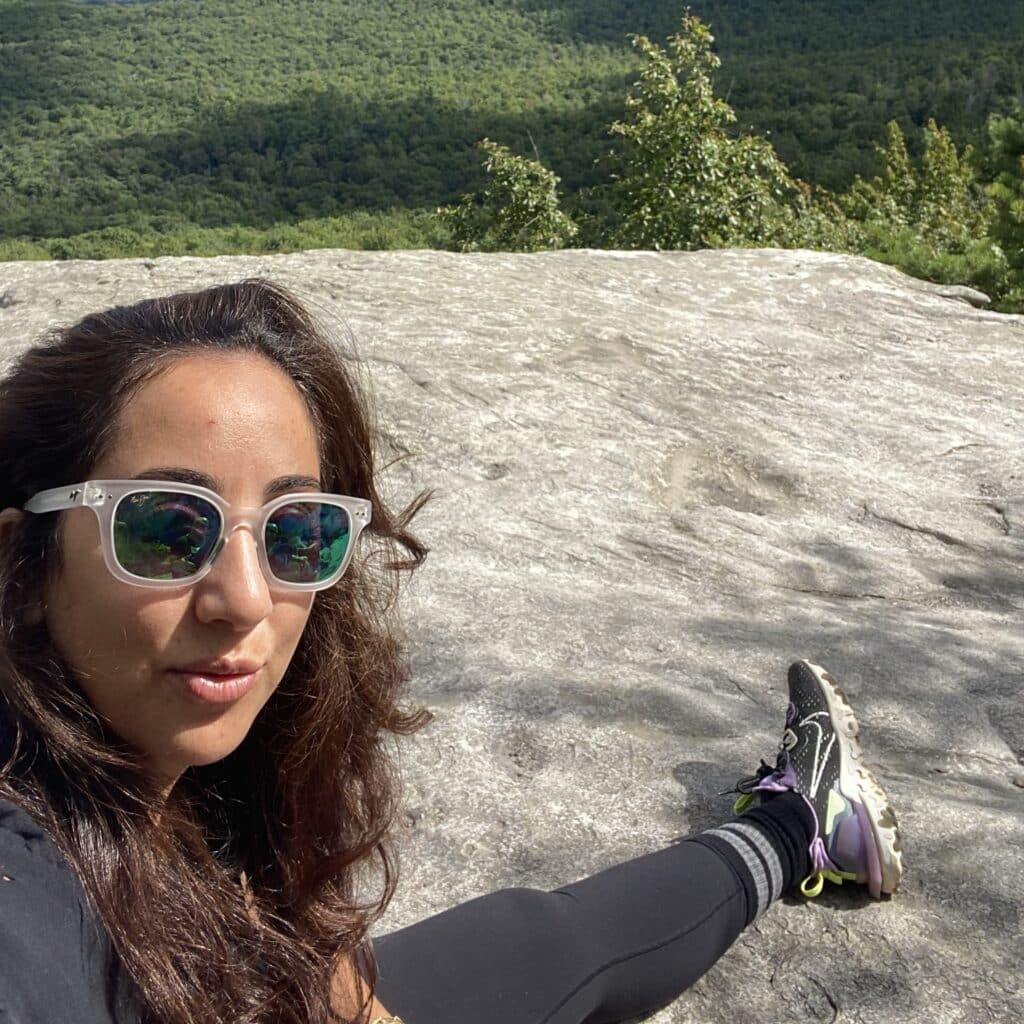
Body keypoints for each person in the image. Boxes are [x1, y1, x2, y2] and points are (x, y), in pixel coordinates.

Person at [0, 280, 903, 1024]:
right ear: (26, 562)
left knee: (545, 943)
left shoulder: (164, 764)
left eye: (298, 530)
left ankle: (802, 825)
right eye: (166, 528)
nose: (244, 599)